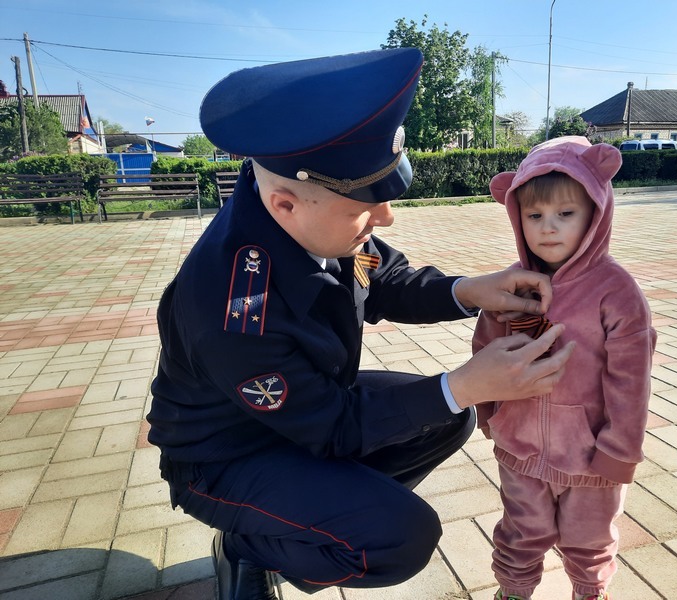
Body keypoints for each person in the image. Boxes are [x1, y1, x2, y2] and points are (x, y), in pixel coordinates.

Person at [146, 47, 574, 600]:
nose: (385, 216)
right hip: (228, 454)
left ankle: (310, 514)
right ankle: (250, 541)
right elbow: (333, 428)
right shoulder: (233, 308)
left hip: (304, 411)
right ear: (285, 205)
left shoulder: (311, 218)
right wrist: (469, 381)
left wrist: (470, 290)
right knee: (398, 538)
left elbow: (382, 277)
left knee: (446, 415)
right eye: (364, 208)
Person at [472, 136, 657, 600]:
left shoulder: (616, 291)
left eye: (565, 214)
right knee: (520, 531)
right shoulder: (512, 283)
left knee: (589, 541)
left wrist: (620, 449)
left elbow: (630, 381)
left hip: (592, 455)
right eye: (534, 216)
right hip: (520, 445)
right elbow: (486, 348)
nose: (547, 228)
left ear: (596, 212)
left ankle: (590, 592)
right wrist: (488, 409)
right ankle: (513, 589)